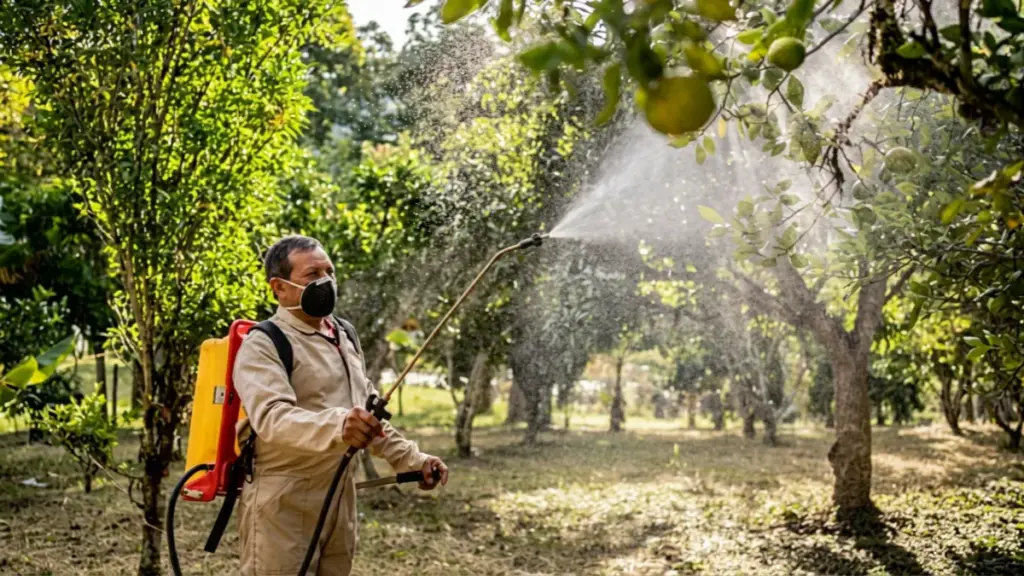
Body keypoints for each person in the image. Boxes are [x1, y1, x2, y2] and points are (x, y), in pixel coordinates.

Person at [233, 235, 448, 575]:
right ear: (279, 287)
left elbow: (367, 412)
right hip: (284, 502)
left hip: (340, 497)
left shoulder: (343, 334)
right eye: (312, 274)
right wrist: (340, 425)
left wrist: (412, 459)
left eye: (329, 272)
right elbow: (273, 419)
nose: (326, 282)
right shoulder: (264, 344)